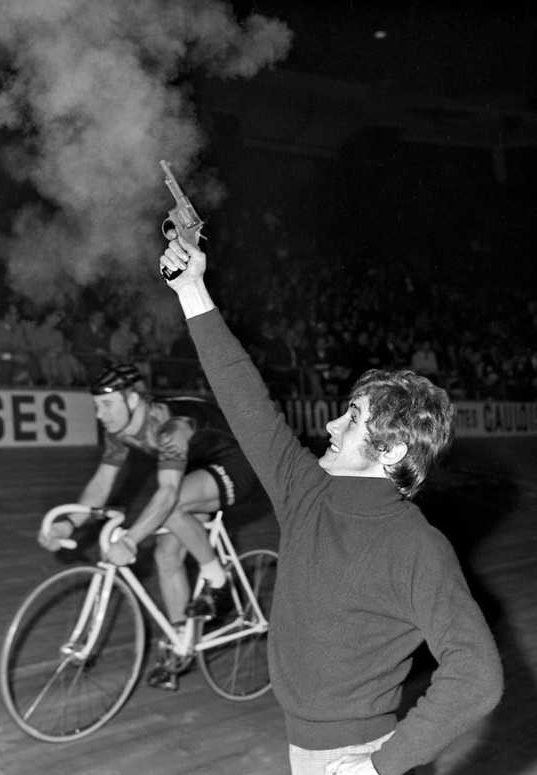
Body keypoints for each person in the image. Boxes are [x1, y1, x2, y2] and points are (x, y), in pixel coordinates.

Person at [158, 233, 503, 775]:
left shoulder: (416, 547)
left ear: (390, 450)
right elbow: (245, 399)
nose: (331, 424)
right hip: (307, 747)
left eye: (353, 420)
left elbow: (478, 675)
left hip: (356, 757)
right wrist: (193, 290)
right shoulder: (306, 492)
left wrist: (377, 767)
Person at [38, 363, 259, 685]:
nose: (100, 414)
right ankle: (182, 645)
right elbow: (102, 483)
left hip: (236, 462)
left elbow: (168, 493)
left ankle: (218, 580)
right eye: (96, 406)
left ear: (131, 400)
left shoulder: (171, 428)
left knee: (170, 505)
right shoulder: (119, 431)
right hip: (194, 469)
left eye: (106, 405)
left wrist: (130, 540)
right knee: (166, 555)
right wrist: (69, 524)